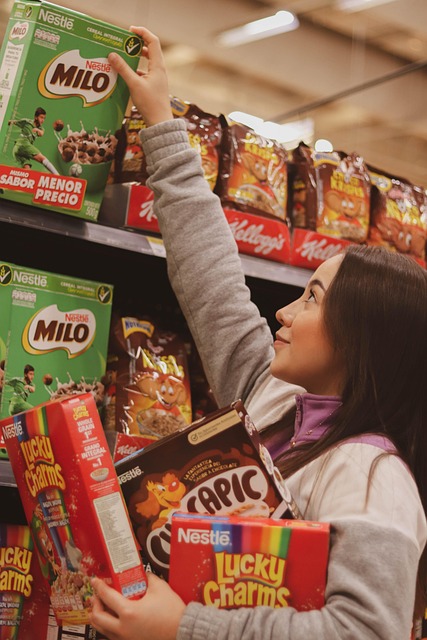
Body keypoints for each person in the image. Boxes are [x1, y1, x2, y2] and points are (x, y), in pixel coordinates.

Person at [88, 27, 427, 640]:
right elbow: (212, 283)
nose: (284, 313)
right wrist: (161, 121)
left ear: (362, 339)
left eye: (312, 298)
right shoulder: (271, 400)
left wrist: (182, 626)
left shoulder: (373, 478)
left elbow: (365, 632)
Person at [8, 107, 59, 174]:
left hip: (18, 151)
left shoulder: (41, 128)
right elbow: (12, 122)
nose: (43, 120)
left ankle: (7, 172)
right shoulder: (26, 122)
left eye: (44, 118)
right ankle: (58, 176)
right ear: (36, 117)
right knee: (43, 159)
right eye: (41, 117)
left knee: (27, 171)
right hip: (23, 144)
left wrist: (37, 130)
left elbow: (41, 133)